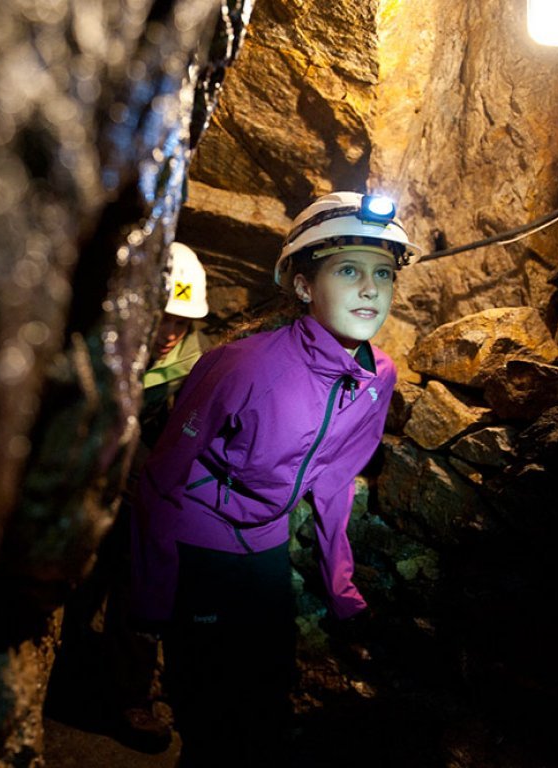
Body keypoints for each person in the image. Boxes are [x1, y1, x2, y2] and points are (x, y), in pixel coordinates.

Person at [130, 191, 421, 767]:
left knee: (266, 700)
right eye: (348, 270)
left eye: (383, 273)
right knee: (210, 715)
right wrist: (151, 599)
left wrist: (340, 587)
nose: (370, 288)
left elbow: (336, 479)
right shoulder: (242, 365)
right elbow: (161, 478)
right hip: (200, 543)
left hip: (263, 544)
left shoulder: (376, 377)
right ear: (304, 286)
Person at [45, 242, 210, 753]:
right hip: (92, 496)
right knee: (75, 588)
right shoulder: (105, 352)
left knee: (139, 604)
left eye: (181, 323)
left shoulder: (195, 374)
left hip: (149, 509)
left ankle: (128, 699)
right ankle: (58, 673)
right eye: (163, 319)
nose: (170, 334)